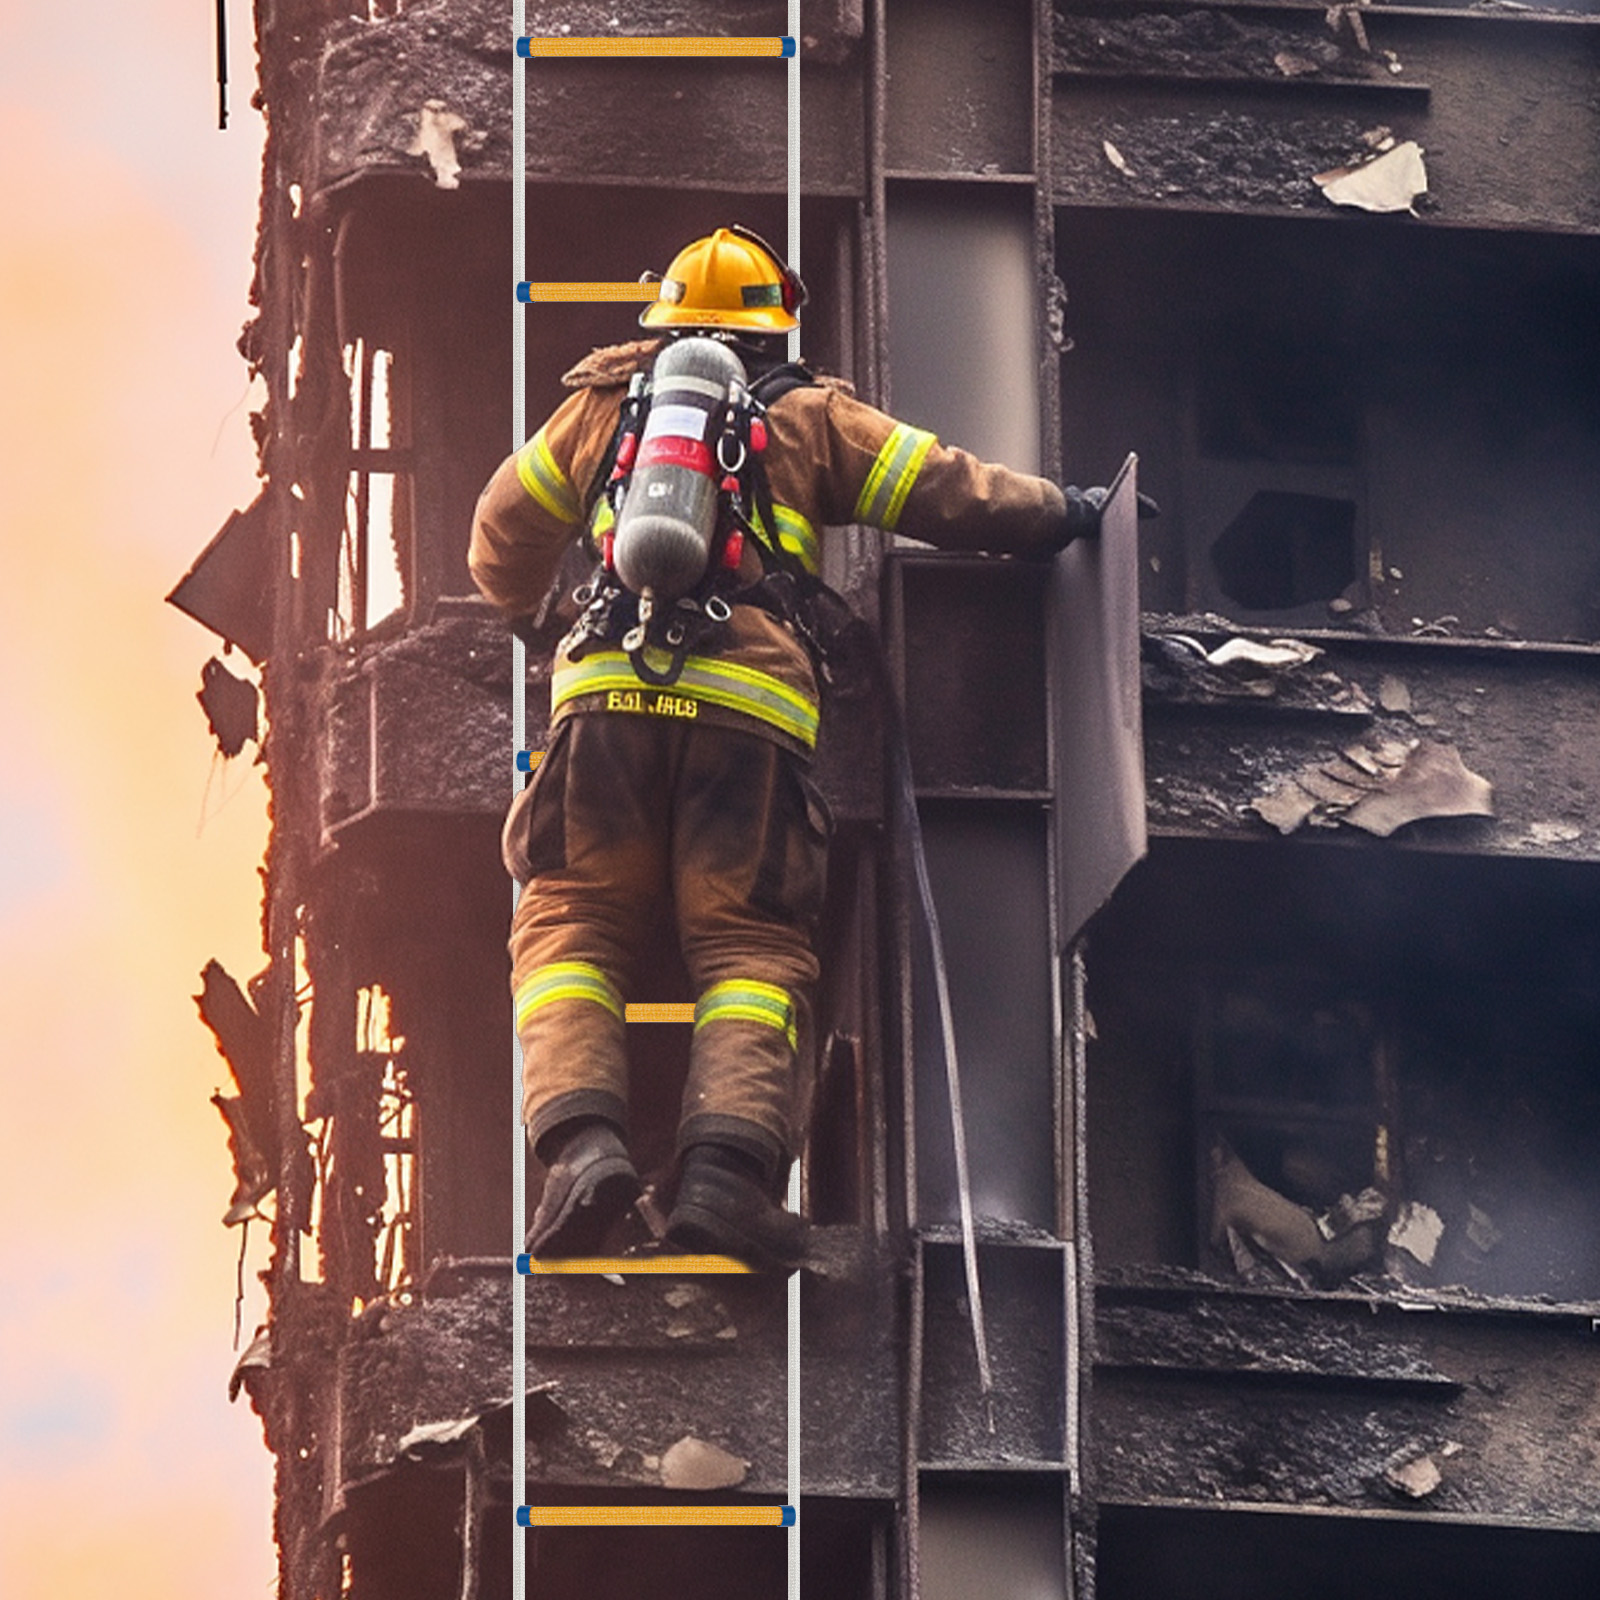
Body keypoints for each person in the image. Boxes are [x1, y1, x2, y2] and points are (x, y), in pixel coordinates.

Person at [470, 226, 1106, 1267]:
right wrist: (1065, 514)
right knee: (749, 949)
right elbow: (947, 489)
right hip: (746, 719)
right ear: (775, 326)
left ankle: (582, 1151)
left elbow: (498, 527)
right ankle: (723, 1179)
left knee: (571, 929)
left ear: (664, 317)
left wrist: (534, 616)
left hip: (599, 705)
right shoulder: (810, 418)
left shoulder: (594, 412)